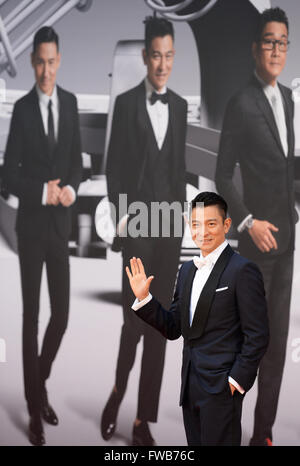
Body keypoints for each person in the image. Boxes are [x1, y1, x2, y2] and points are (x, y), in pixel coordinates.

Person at [125, 191, 269, 446]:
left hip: (222, 390)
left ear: (226, 225)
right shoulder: (187, 271)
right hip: (190, 388)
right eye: (195, 224)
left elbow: (258, 335)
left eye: (211, 223)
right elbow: (174, 328)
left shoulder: (243, 270)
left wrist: (235, 381)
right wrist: (145, 299)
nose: (202, 231)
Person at [103, 16, 187, 446]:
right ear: (144, 57)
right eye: (156, 55)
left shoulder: (179, 107)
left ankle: (142, 421)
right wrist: (121, 217)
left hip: (168, 237)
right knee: (132, 323)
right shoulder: (128, 104)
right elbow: (114, 168)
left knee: (158, 328)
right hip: (136, 231)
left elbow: (176, 174)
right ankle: (118, 391)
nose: (162, 64)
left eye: (169, 56)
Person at [215, 7, 296, 446]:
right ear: (254, 48)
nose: (276, 49)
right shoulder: (239, 102)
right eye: (269, 41)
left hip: (287, 243)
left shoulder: (286, 99)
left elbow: (285, 169)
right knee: (248, 346)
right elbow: (223, 174)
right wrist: (247, 221)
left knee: (278, 349)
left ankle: (261, 435)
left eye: (283, 42)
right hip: (255, 246)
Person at [3, 26, 82, 446]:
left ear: (59, 60)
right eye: (39, 62)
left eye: (52, 62)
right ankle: (35, 410)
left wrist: (68, 188)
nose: (46, 70)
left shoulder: (68, 104)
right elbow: (7, 174)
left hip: (59, 228)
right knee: (31, 318)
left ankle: (38, 384)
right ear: (32, 62)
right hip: (32, 229)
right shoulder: (21, 110)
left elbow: (77, 165)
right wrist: (40, 190)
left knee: (63, 314)